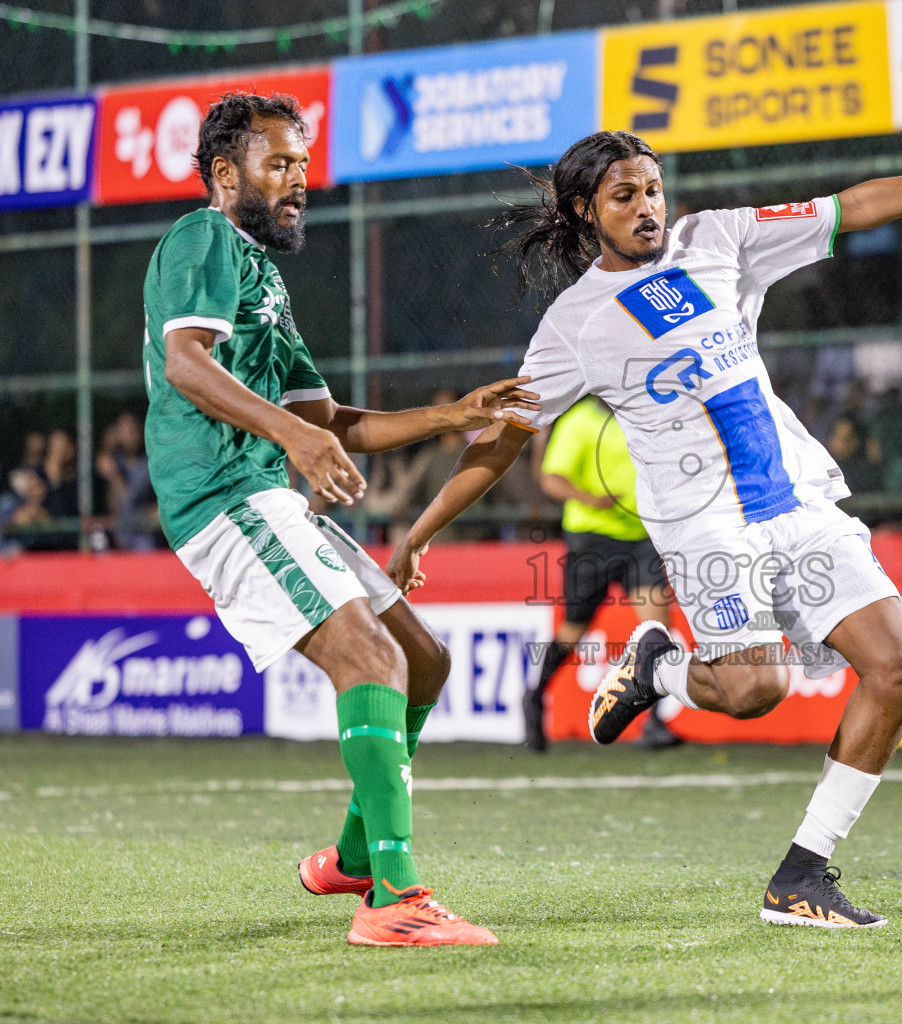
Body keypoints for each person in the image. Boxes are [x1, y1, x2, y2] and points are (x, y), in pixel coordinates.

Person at [384, 129, 902, 928]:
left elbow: (855, 205)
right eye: (624, 195)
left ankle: (801, 876)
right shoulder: (575, 325)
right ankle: (662, 672)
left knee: (901, 671)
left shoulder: (717, 236)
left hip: (793, 498)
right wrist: (420, 533)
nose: (647, 206)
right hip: (704, 526)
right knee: (755, 690)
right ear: (585, 212)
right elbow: (500, 440)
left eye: (652, 188)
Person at [141, 91, 538, 948]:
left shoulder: (263, 279)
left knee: (423, 662)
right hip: (223, 497)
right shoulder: (200, 238)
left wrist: (450, 415)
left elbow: (330, 420)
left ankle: (357, 859)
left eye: (302, 167)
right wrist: (293, 437)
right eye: (277, 164)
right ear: (223, 173)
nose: (297, 182)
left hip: (267, 496)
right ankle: (393, 901)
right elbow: (185, 363)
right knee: (369, 654)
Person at [524, 395, 679, 752]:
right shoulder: (579, 421)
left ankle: (654, 723)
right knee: (573, 630)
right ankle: (535, 697)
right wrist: (591, 499)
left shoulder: (642, 413)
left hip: (641, 539)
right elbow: (550, 479)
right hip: (592, 539)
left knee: (657, 628)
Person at [96, 410, 159, 550]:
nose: (129, 434)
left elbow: (130, 498)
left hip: (142, 533)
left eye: (132, 429)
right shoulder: (115, 460)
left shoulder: (150, 462)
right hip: (115, 532)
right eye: (123, 430)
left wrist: (113, 476)